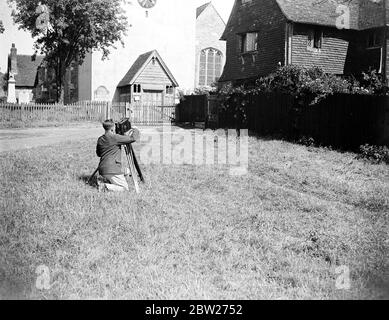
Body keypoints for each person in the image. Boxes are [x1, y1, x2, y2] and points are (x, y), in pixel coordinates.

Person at [96, 119, 136, 192]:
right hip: (112, 170)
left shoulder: (100, 139)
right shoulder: (115, 138)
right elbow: (132, 138)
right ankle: (105, 186)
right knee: (125, 189)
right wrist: (135, 130)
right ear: (112, 128)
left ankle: (104, 180)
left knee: (127, 171)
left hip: (102, 169)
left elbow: (98, 154)